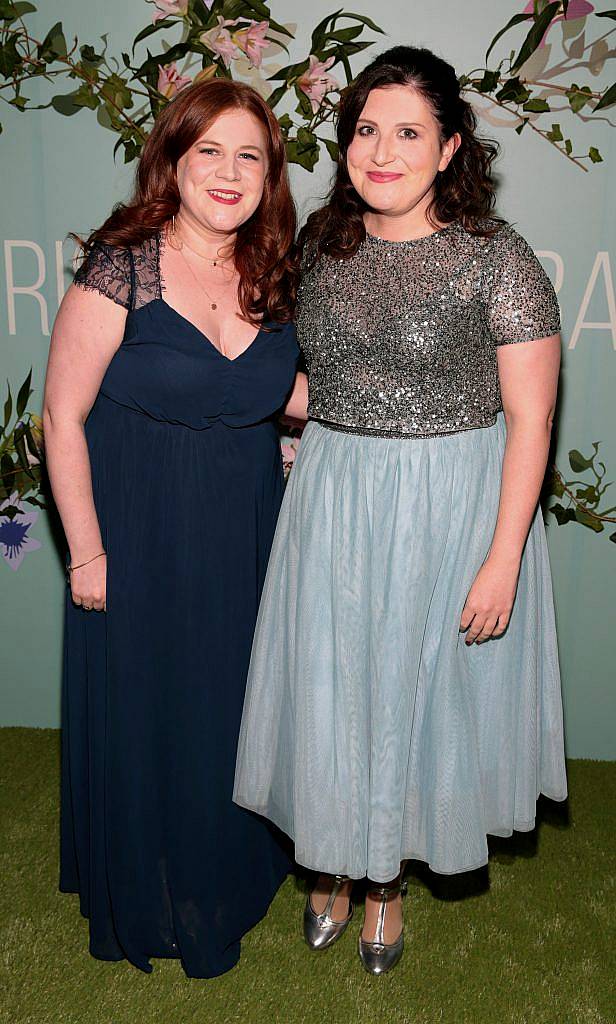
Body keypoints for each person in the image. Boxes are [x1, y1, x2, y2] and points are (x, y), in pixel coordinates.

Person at [233, 46, 567, 975]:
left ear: (451, 147)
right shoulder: (320, 249)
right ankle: (333, 863)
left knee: (417, 699)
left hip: (453, 500)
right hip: (337, 493)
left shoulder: (497, 258)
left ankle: (386, 885)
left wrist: (502, 558)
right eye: (366, 131)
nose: (382, 151)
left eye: (408, 132)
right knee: (336, 685)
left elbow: (532, 417)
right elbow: (304, 383)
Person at [43, 78, 307, 978]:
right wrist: (87, 551)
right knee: (152, 707)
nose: (229, 173)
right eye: (210, 152)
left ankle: (227, 874)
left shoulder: (273, 274)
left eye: (250, 155)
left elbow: (290, 398)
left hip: (245, 533)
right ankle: (152, 891)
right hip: (141, 530)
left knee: (231, 712)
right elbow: (61, 417)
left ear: (269, 173)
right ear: (173, 160)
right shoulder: (121, 264)